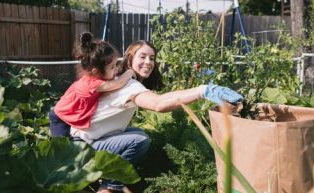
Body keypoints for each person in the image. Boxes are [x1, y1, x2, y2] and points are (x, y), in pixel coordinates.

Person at [53, 40, 243, 193]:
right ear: (129, 59)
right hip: (78, 147)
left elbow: (159, 98)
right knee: (139, 139)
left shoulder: (124, 82)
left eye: (152, 58)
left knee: (135, 131)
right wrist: (203, 90)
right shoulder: (128, 86)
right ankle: (109, 187)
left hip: (82, 140)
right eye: (142, 56)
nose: (148, 62)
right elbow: (159, 104)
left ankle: (99, 178)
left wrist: (202, 90)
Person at [49, 32, 136, 137]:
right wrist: (130, 72)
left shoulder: (97, 78)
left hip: (69, 114)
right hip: (60, 118)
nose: (116, 69)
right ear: (96, 72)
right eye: (112, 67)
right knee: (62, 147)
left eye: (115, 65)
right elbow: (119, 83)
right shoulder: (91, 84)